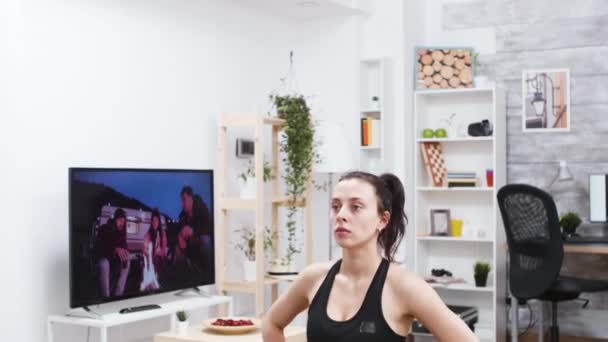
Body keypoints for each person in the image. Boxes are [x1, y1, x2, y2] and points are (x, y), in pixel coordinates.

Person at [262, 171, 478, 341]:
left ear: (382, 220)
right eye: (336, 206)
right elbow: (271, 323)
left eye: (356, 207)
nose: (341, 215)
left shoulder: (404, 286)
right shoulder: (313, 277)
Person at [172, 186, 213, 281]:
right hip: (189, 245)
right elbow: (177, 231)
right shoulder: (182, 216)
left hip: (200, 241)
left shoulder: (202, 208)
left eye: (184, 200)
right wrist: (179, 237)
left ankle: (208, 273)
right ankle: (179, 275)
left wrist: (193, 231)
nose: (182, 204)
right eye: (181, 201)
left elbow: (209, 227)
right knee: (177, 247)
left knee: (205, 240)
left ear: (191, 198)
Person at [95, 208, 131, 298]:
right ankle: (106, 297)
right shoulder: (104, 228)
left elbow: (124, 247)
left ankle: (118, 295)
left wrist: (125, 254)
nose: (121, 223)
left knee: (127, 261)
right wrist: (114, 249)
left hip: (115, 261)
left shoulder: (122, 233)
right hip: (104, 258)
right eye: (120, 220)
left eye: (123, 221)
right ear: (115, 219)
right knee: (104, 264)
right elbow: (99, 247)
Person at [140, 209, 167, 291]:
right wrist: (145, 251)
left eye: (156, 220)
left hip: (159, 259)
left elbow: (164, 251)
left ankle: (153, 281)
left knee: (156, 260)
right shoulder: (149, 234)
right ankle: (149, 283)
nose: (155, 222)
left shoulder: (162, 233)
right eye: (153, 220)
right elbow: (144, 247)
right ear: (151, 222)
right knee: (146, 263)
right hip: (150, 259)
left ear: (159, 222)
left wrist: (158, 252)